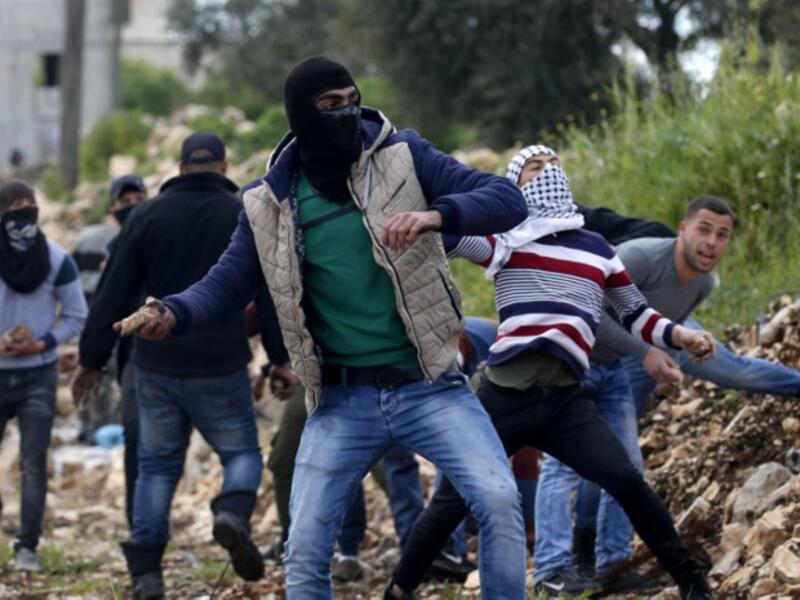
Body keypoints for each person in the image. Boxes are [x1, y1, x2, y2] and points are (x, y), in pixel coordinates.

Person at [125, 56, 530, 599]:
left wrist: (438, 214)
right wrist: (171, 312)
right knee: (307, 545)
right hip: (342, 401)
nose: (346, 113)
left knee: (499, 499)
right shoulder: (267, 203)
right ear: (301, 114)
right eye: (330, 105)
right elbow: (226, 283)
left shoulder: (404, 156)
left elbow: (507, 199)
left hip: (429, 386)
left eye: (351, 99)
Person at [386, 145, 714, 600]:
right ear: (514, 187)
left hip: (565, 401)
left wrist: (682, 337)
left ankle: (693, 583)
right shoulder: (504, 237)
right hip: (504, 394)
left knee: (626, 480)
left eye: (553, 164)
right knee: (451, 499)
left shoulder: (597, 249)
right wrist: (425, 216)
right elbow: (452, 237)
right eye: (534, 167)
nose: (547, 171)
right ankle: (399, 589)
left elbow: (638, 316)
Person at [71, 133, 290, 598]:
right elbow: (270, 296)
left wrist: (92, 360)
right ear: (225, 165)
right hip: (221, 364)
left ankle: (147, 575)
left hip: (157, 364)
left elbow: (113, 291)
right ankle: (231, 511)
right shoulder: (242, 214)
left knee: (154, 468)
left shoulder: (146, 216)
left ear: (179, 166)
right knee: (242, 455)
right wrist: (278, 359)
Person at [535, 196, 741, 593]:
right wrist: (646, 352)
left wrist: (682, 346)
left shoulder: (702, 285)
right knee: (562, 466)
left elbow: (656, 328)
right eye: (704, 229)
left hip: (610, 369)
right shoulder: (641, 257)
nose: (712, 242)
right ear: (682, 229)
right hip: (569, 359)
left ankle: (613, 565)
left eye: (722, 235)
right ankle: (550, 571)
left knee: (627, 466)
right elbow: (587, 311)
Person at [0, 181, 88, 572]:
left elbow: (76, 315)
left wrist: (44, 343)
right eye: (15, 207)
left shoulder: (56, 259)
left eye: (30, 205)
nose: (24, 214)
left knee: (33, 463)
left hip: (38, 374)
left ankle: (27, 548)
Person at [72, 174, 148, 444]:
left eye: (139, 199)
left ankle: (102, 426)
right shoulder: (98, 239)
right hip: (99, 320)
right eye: (126, 201)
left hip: (134, 327)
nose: (133, 205)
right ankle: (97, 427)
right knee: (103, 376)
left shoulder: (150, 237)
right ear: (112, 208)